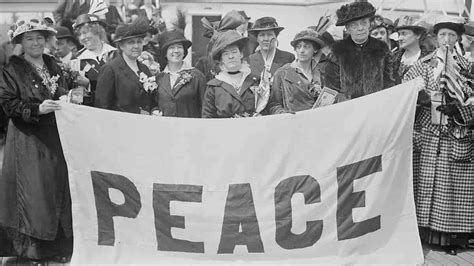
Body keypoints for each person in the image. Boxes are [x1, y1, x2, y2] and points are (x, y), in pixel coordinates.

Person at [0, 18, 72, 263]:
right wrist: (37, 109)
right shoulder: (12, 70)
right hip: (27, 139)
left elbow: (63, 89)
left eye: (39, 38)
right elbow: (8, 104)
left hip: (55, 136)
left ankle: (58, 247)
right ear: (20, 42)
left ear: (46, 40)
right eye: (29, 38)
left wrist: (71, 95)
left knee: (56, 188)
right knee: (34, 191)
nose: (35, 43)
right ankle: (33, 251)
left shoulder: (53, 64)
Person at [403, 17, 474, 256]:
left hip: (455, 134)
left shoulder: (467, 67)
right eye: (443, 35)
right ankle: (424, 235)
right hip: (428, 135)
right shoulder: (424, 65)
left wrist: (461, 110)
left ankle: (451, 238)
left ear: (458, 39)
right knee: (426, 186)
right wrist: (420, 98)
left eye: (452, 36)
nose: (447, 40)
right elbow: (404, 89)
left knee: (451, 189)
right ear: (436, 37)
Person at [326, 1, 395, 101]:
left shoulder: (382, 49)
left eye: (364, 23)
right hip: (348, 109)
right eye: (354, 25)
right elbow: (331, 88)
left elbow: (389, 82)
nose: (360, 28)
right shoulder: (337, 52)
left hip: (377, 105)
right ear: (347, 29)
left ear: (369, 25)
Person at [95, 18, 156, 114]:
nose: (136, 46)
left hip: (144, 125)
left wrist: (154, 111)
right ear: (121, 46)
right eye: (131, 42)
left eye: (139, 42)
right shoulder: (110, 69)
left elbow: (151, 100)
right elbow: (102, 107)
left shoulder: (144, 69)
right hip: (120, 125)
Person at [202, 28, 265, 118]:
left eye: (234, 52)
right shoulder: (214, 87)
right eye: (226, 54)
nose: (231, 56)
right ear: (221, 59)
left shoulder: (255, 81)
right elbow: (207, 117)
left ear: (241, 54)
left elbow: (266, 109)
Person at [267, 29, 329, 114]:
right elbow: (274, 104)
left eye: (306, 46)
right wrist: (283, 114)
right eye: (298, 47)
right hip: (293, 121)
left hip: (317, 119)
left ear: (315, 49)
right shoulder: (283, 73)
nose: (302, 50)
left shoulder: (321, 72)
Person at [154, 30, 206, 117]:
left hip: (190, 128)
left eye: (179, 47)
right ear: (165, 53)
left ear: (184, 51)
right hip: (165, 128)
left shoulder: (197, 76)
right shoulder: (159, 78)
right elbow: (154, 105)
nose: (176, 51)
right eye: (171, 47)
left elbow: (205, 109)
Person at [73, 14, 117, 106]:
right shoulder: (77, 60)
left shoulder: (115, 53)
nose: (82, 38)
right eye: (79, 35)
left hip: (117, 109)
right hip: (93, 110)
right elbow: (77, 98)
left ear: (96, 31)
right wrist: (86, 86)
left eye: (85, 32)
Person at [391, 15, 431, 84]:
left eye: (404, 34)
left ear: (418, 35)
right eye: (399, 34)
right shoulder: (391, 58)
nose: (400, 38)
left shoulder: (429, 59)